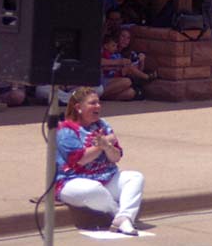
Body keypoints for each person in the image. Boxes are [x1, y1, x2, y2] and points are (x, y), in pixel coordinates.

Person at [55, 87, 145, 235]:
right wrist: (101, 145)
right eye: (93, 103)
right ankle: (118, 214)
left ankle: (125, 216)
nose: (98, 106)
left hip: (105, 178)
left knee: (135, 177)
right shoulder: (66, 129)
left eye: (98, 102)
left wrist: (107, 146)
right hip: (72, 182)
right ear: (78, 107)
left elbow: (116, 157)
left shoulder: (102, 125)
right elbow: (80, 160)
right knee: (92, 189)